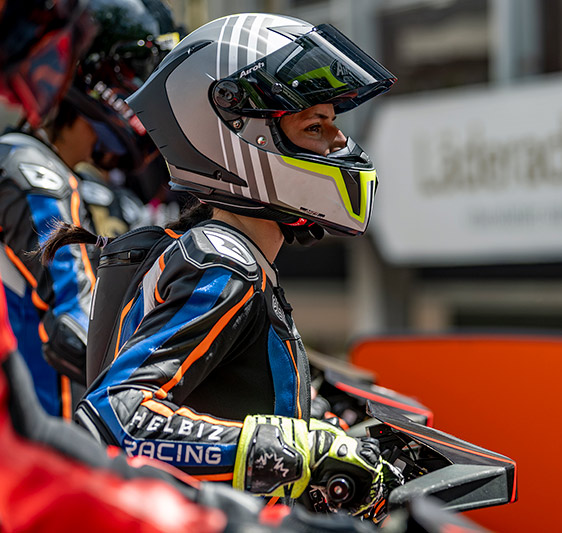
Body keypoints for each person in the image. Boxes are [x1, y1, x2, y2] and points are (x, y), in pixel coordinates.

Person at [47, 13, 398, 518]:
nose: (339, 144)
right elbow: (115, 417)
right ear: (241, 139)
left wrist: (326, 434)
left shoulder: (233, 255)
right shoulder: (224, 262)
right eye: (315, 126)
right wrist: (297, 453)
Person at [0, 0, 174, 417]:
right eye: (133, 72)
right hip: (42, 436)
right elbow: (79, 330)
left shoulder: (60, 174)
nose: (141, 90)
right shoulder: (33, 171)